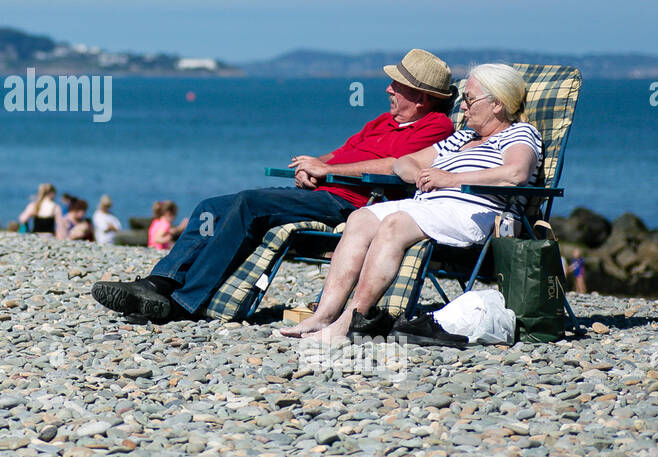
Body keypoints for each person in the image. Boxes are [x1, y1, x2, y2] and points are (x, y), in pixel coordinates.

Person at [91, 49, 457, 322]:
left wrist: (328, 172)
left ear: (421, 97)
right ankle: (158, 284)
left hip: (356, 206)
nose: (389, 90)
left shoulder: (435, 127)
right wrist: (314, 167)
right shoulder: (382, 121)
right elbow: (341, 153)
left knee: (249, 204)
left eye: (397, 86)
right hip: (325, 192)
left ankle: (186, 302)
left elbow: (396, 168)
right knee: (212, 206)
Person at [283, 64, 542, 342]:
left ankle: (352, 320)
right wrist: (421, 174)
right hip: (429, 206)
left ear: (497, 105)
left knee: (396, 223)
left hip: (475, 213)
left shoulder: (519, 133)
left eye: (469, 99)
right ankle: (323, 316)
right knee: (361, 218)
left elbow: (517, 173)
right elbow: (405, 162)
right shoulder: (463, 137)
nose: (462, 108)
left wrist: (447, 179)